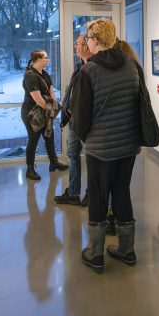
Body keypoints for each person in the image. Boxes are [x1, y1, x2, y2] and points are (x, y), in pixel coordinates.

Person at [70, 19, 142, 273]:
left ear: (96, 40)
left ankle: (95, 253)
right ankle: (127, 250)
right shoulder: (131, 66)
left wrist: (88, 137)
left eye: (88, 38)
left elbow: (79, 119)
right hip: (128, 145)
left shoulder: (89, 71)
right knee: (122, 193)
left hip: (100, 148)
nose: (86, 42)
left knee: (99, 197)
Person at [54, 35, 92, 206]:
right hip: (73, 120)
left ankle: (92, 193)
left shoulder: (93, 68)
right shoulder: (79, 67)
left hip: (87, 122)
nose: (75, 46)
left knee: (92, 159)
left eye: (77, 43)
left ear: (86, 46)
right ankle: (73, 192)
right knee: (72, 155)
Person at [21, 49, 68, 181]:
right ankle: (30, 169)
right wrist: (53, 109)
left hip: (45, 111)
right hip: (32, 113)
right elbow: (38, 99)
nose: (48, 60)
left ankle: (54, 163)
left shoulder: (45, 74)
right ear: (37, 60)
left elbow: (52, 92)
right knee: (33, 139)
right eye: (45, 58)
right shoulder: (30, 75)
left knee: (49, 136)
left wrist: (52, 104)